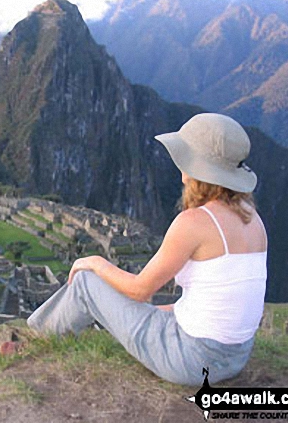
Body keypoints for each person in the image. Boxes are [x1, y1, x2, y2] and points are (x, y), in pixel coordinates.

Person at [27, 113, 268, 386]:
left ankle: (36, 338)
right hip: (236, 358)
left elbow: (140, 291)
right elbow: (222, 300)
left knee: (85, 282)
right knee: (156, 309)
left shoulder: (194, 222)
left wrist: (95, 262)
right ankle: (41, 330)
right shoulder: (253, 218)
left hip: (191, 361)